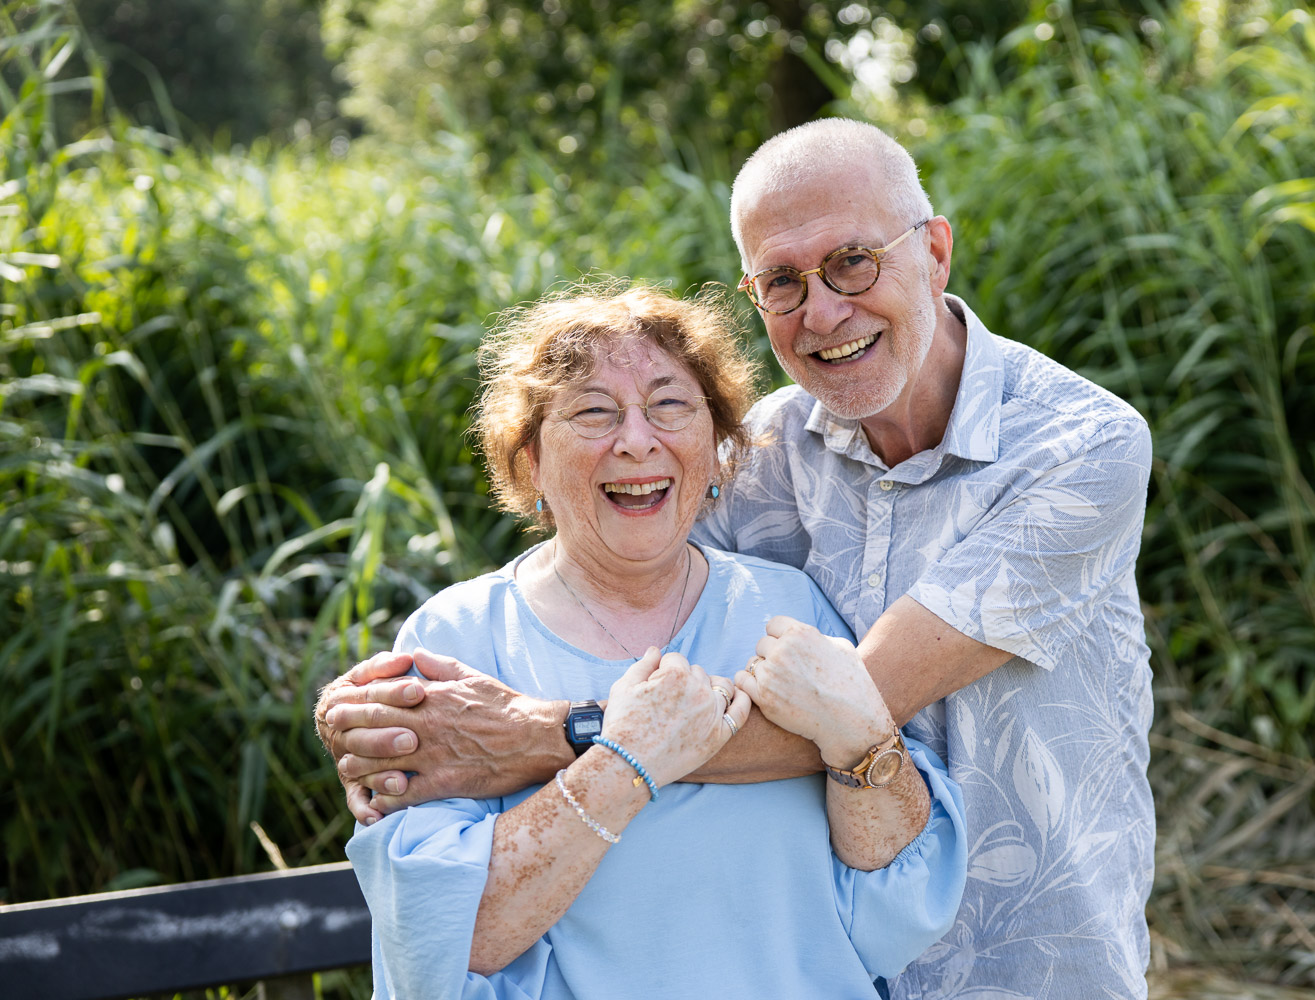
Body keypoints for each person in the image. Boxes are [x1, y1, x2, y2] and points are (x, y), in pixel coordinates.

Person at [320, 119, 1154, 999]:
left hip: (1025, 960)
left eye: (853, 262)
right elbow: (601, 558)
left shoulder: (1077, 446)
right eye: (782, 282)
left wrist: (537, 734)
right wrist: (379, 717)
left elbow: (868, 698)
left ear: (935, 251)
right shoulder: (759, 457)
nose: (823, 311)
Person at [343, 286, 966, 999]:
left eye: (670, 405)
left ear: (718, 446)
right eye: (593, 411)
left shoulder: (788, 606)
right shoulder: (454, 641)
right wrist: (620, 762)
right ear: (529, 462)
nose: (637, 440)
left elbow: (897, 918)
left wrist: (863, 741)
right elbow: (449, 938)